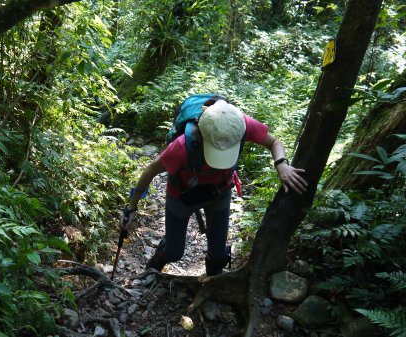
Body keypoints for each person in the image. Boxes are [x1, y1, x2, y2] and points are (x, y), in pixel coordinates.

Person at [121, 96, 307, 276]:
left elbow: (273, 142)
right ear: (202, 136)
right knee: (174, 252)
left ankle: (213, 277)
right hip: (182, 195)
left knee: (218, 254)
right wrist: (132, 206)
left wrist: (281, 163)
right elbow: (151, 170)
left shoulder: (239, 125)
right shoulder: (182, 146)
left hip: (220, 192)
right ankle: (155, 265)